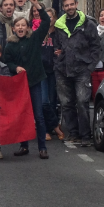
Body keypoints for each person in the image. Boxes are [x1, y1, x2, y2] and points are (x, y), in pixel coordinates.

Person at [4, 0, 50, 159]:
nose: (21, 28)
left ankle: (42, 147)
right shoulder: (10, 45)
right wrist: (15, 68)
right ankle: (24, 146)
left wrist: (36, 5)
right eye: (18, 26)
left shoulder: (35, 38)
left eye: (23, 25)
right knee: (23, 115)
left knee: (38, 115)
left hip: (35, 81)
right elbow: (6, 61)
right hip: (19, 85)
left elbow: (46, 21)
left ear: (28, 27)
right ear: (13, 28)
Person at [54, 0, 101, 147]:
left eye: (71, 4)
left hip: (82, 69)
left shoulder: (88, 24)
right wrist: (58, 55)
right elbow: (57, 45)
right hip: (63, 69)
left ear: (76, 4)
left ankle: (86, 135)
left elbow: (96, 46)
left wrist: (90, 67)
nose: (69, 8)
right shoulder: (59, 25)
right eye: (66, 5)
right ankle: (73, 133)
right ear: (63, 7)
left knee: (82, 102)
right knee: (66, 103)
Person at [40, 8, 63, 141]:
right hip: (41, 71)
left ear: (55, 18)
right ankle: (51, 127)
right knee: (44, 101)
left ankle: (50, 128)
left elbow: (65, 47)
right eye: (46, 17)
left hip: (55, 69)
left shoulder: (58, 34)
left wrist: (62, 52)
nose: (49, 20)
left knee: (53, 101)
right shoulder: (39, 33)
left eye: (51, 17)